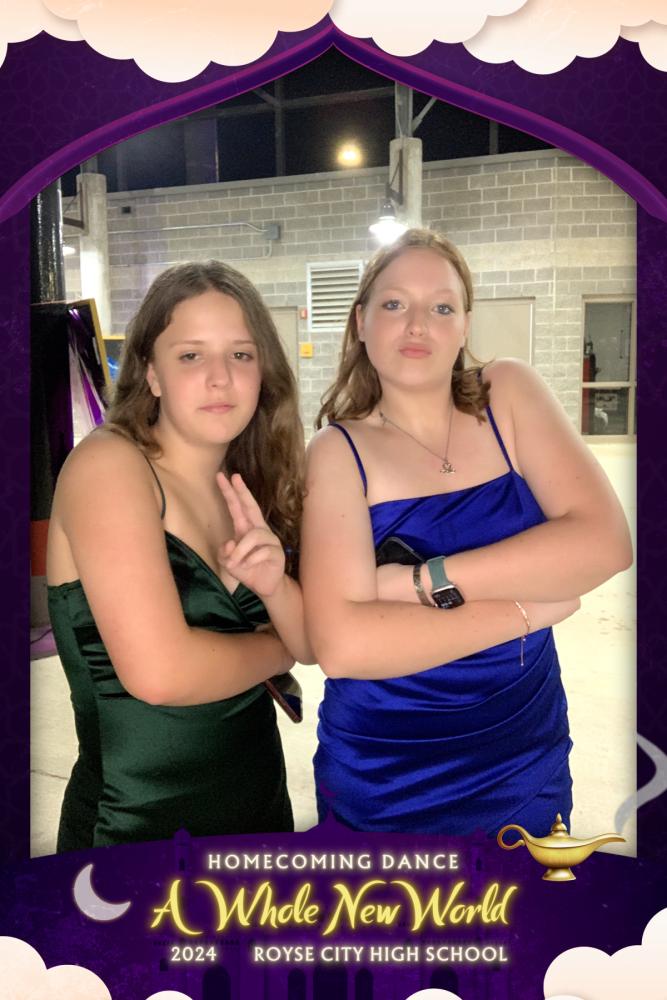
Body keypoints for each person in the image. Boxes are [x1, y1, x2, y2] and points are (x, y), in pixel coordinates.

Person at [301, 228, 632, 836]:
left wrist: (419, 582)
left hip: (523, 751)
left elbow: (605, 543)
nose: (417, 324)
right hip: (388, 768)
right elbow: (344, 646)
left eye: (441, 307)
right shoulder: (335, 450)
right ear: (361, 322)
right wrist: (528, 610)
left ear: (465, 325)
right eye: (394, 304)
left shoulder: (507, 394)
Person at [46, 260, 312, 850]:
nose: (220, 378)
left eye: (240, 354)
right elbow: (161, 674)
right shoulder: (111, 467)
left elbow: (315, 642)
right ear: (152, 373)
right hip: (136, 828)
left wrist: (278, 593)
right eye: (191, 355)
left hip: (258, 807)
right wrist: (278, 647)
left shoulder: (253, 480)